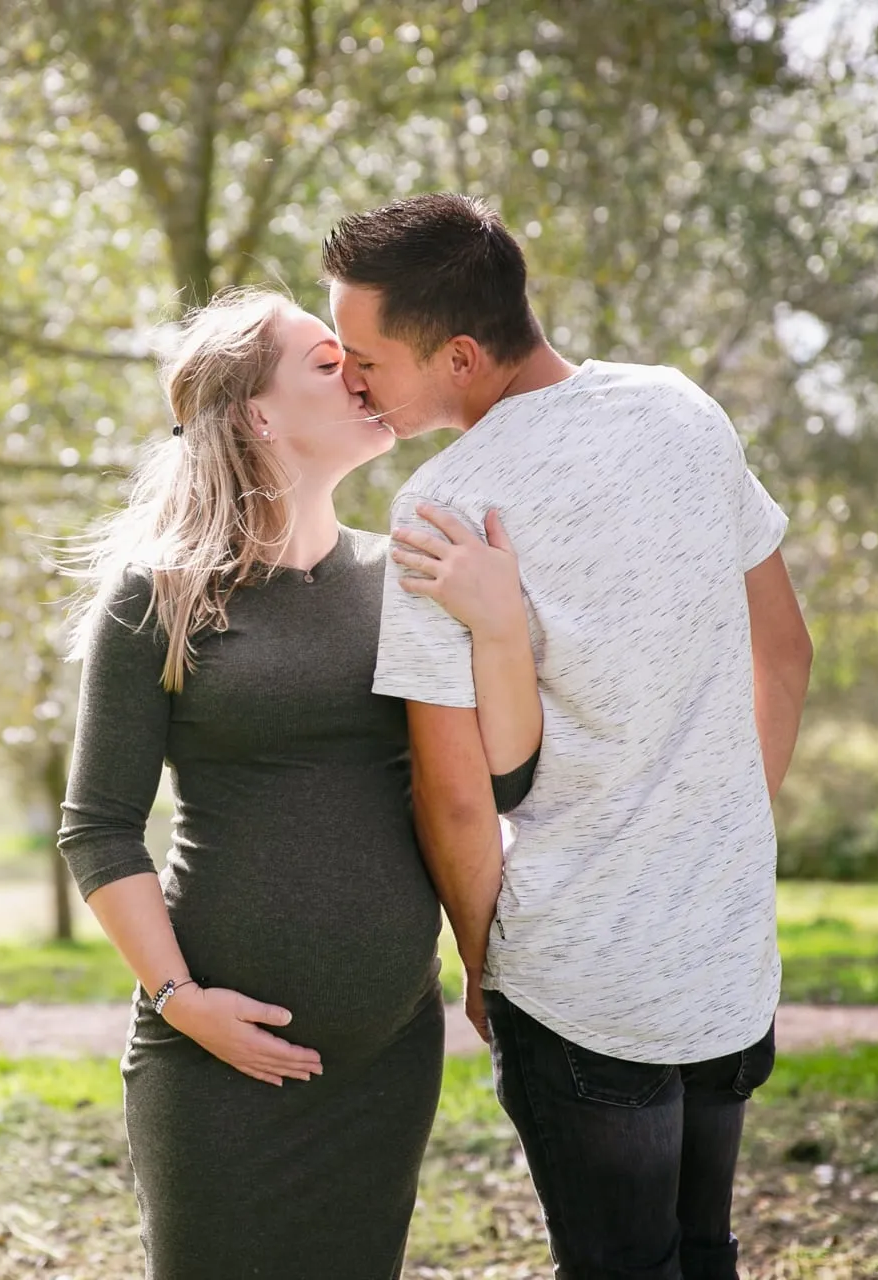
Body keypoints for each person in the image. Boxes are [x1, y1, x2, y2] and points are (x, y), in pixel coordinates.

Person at [323, 193, 814, 1280]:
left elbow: (457, 795)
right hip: (727, 950)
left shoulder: (442, 511)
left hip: (581, 983)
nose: (351, 381)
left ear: (458, 356)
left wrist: (483, 960)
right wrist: (723, 831)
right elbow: (785, 654)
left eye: (366, 360)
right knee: (706, 1253)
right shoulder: (683, 409)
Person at [56, 285, 543, 1280]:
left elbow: (494, 780)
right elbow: (98, 826)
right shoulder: (160, 594)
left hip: (386, 1057)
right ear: (257, 416)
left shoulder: (410, 576)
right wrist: (180, 998)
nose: (362, 374)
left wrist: (499, 625)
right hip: (209, 1061)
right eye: (329, 362)